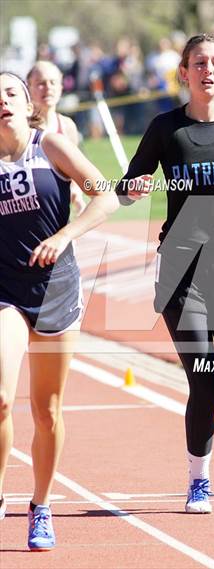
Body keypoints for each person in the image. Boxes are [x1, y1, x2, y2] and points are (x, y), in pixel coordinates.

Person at [116, 34, 214, 514]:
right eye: (198, 63)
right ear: (183, 72)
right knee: (203, 380)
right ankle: (199, 481)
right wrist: (133, 188)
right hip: (182, 271)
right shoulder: (166, 129)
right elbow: (125, 186)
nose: (207, 70)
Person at [0, 72, 119, 550]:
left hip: (53, 290)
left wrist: (65, 235)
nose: (1, 100)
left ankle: (41, 505)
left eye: (9, 92)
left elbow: (105, 196)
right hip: (4, 290)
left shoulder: (48, 145)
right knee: (2, 400)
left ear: (25, 103)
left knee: (47, 411)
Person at [26, 61, 86, 215]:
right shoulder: (21, 127)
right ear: (28, 87)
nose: (48, 88)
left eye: (53, 82)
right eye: (40, 83)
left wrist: (77, 196)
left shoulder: (67, 126)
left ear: (61, 86)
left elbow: (75, 172)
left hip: (57, 214)